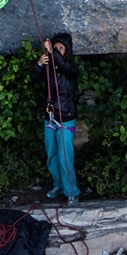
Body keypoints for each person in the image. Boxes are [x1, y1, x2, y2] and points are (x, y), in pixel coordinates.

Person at [31, 33, 81, 205]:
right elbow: (34, 79)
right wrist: (39, 64)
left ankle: (72, 192)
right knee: (52, 155)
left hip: (66, 118)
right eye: (56, 47)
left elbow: (64, 65)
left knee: (65, 158)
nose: (58, 50)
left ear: (67, 52)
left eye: (61, 48)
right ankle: (58, 185)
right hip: (50, 117)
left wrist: (52, 52)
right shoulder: (49, 68)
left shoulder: (71, 69)